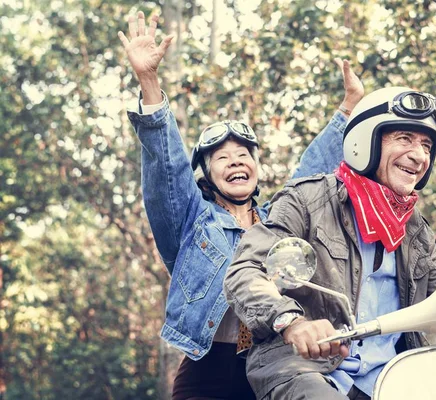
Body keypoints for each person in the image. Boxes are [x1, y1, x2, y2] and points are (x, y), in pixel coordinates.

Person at [224, 86, 436, 399]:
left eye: (427, 145)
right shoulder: (307, 200)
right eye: (405, 139)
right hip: (307, 371)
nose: (419, 155)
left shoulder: (417, 233)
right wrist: (291, 321)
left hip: (393, 378)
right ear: (365, 141)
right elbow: (246, 271)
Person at [118, 10, 364, 400]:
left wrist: (348, 109)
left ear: (256, 166)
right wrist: (148, 81)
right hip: (208, 364)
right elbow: (167, 168)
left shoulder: (276, 221)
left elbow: (310, 173)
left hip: (274, 358)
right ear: (208, 173)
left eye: (243, 154)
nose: (235, 160)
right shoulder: (192, 220)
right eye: (221, 157)